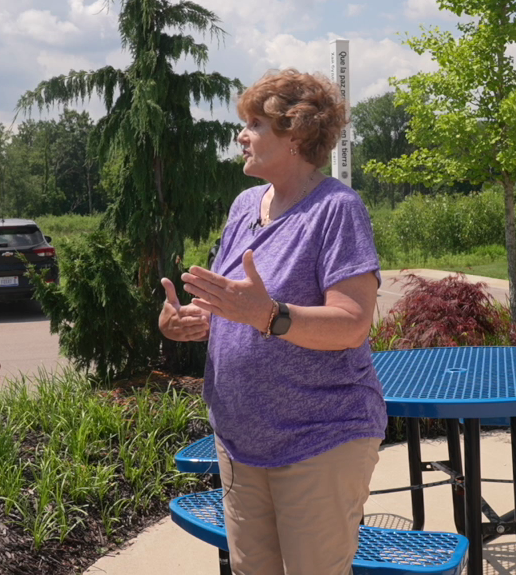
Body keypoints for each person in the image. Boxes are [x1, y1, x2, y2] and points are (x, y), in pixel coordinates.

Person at [159, 68, 386, 575]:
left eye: (256, 124)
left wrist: (267, 315)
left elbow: (352, 324)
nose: (242, 135)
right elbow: (230, 303)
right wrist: (188, 320)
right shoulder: (245, 206)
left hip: (319, 437)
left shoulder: (337, 210)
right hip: (241, 437)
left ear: (297, 135)